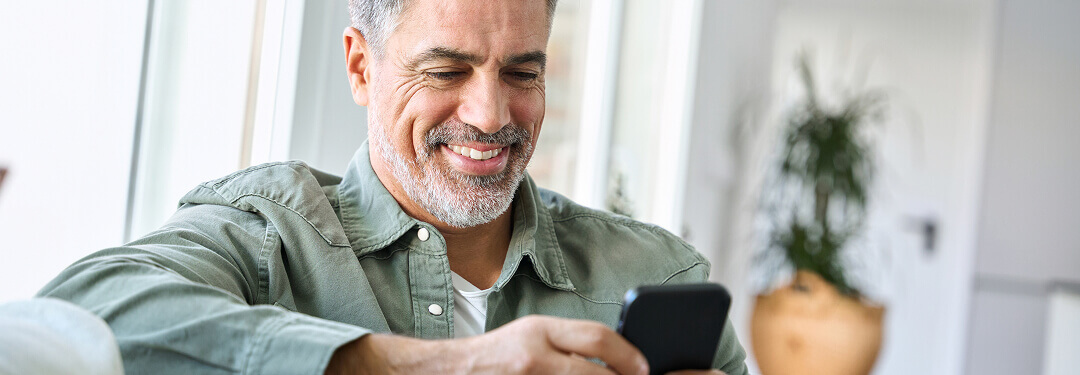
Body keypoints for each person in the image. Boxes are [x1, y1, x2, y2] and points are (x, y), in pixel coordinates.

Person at [39, 0, 748, 374]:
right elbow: (71, 319)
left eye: (522, 73)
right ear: (359, 67)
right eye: (446, 72)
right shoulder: (267, 233)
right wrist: (444, 367)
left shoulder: (658, 275)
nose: (491, 116)